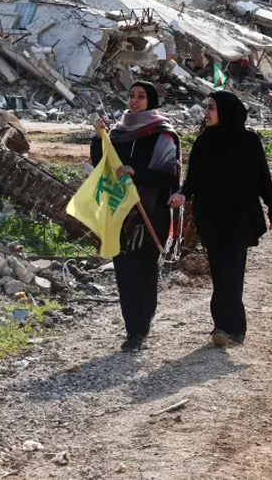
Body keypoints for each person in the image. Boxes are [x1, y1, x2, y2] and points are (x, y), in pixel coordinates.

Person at [168, 91, 272, 348]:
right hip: (211, 218)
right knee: (220, 274)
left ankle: (229, 328)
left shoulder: (249, 141)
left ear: (226, 111)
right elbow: (192, 180)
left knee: (232, 273)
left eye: (211, 108)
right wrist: (182, 195)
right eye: (205, 107)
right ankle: (225, 327)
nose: (206, 113)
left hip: (240, 219)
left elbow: (264, 180)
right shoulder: (203, 142)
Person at [91, 82, 180, 352]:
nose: (134, 100)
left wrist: (136, 172)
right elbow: (101, 164)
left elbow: (169, 175)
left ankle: (143, 324)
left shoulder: (162, 133)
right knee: (124, 269)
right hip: (120, 210)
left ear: (150, 101)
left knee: (145, 268)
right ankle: (133, 330)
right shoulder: (117, 132)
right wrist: (99, 137)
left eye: (141, 96)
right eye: (131, 95)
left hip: (152, 211)